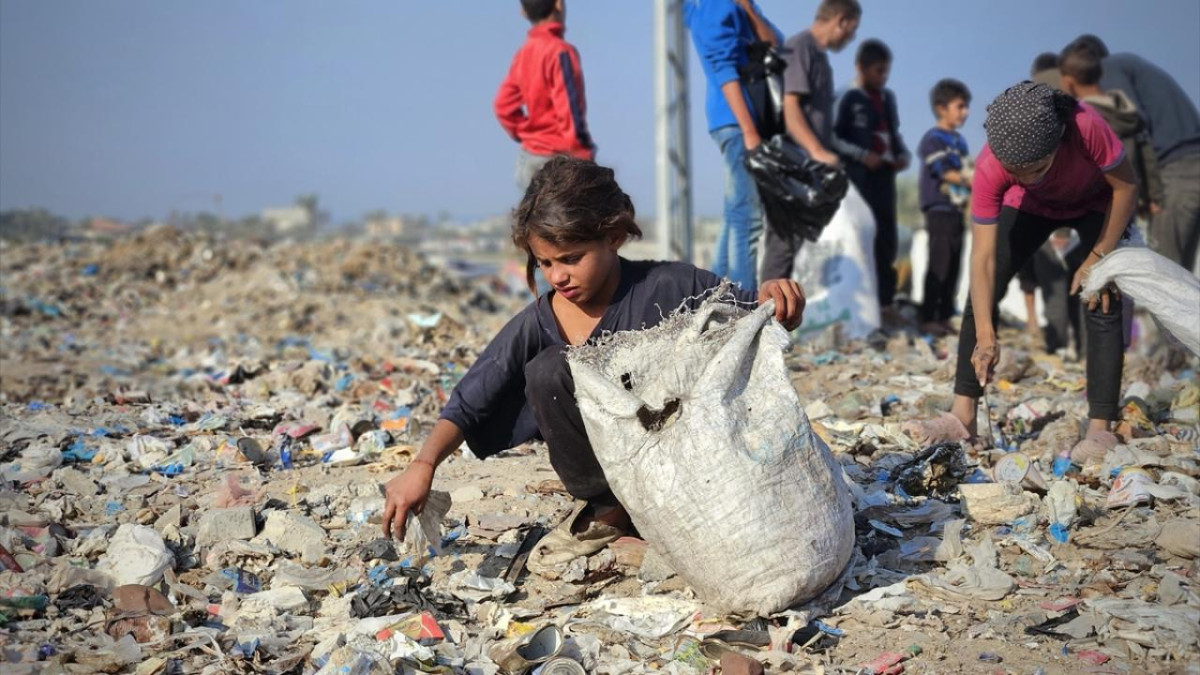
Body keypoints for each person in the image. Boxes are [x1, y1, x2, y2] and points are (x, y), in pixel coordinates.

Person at [380, 156, 806, 541]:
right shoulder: (539, 321)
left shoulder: (674, 287)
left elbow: (755, 317)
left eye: (571, 258)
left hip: (692, 469)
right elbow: (470, 400)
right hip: (614, 484)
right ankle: (611, 511)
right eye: (545, 263)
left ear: (614, 237)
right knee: (548, 370)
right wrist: (423, 466)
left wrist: (779, 297)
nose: (557, 276)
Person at [905, 82, 1139, 466]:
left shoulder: (1087, 127)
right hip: (1030, 210)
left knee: (1102, 293)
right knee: (982, 292)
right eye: (1019, 172)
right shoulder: (990, 165)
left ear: (1060, 139)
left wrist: (1099, 254)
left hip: (1096, 202)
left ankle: (1101, 426)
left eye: (1039, 169)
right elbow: (981, 260)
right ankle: (963, 416)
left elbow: (1126, 187)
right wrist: (985, 335)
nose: (1030, 178)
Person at [1066, 34, 1200, 274]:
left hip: (1178, 170)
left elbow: (1128, 125)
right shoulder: (1131, 65)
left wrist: (1142, 195)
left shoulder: (1109, 69)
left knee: (1165, 278)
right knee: (1182, 275)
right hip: (1188, 166)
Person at [684, 0, 784, 291]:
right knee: (748, 219)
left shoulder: (738, 5)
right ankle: (743, 302)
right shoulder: (713, 7)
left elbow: (774, 42)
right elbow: (724, 68)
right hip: (737, 122)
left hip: (739, 123)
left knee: (734, 213)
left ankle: (710, 293)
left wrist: (750, 11)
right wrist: (750, 130)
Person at [760, 0, 861, 281]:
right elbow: (791, 108)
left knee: (794, 246)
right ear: (840, 20)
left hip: (806, 167)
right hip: (793, 163)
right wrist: (817, 151)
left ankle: (781, 315)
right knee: (783, 242)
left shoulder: (818, 56)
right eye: (851, 31)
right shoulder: (801, 47)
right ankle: (767, 316)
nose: (850, 38)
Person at [834, 38, 910, 312]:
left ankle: (885, 303)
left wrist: (901, 155)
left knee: (886, 238)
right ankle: (857, 304)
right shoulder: (847, 96)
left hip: (884, 179)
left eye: (886, 71)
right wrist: (861, 155)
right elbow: (831, 138)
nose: (883, 77)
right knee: (859, 237)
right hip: (858, 180)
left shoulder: (887, 98)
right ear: (861, 68)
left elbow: (892, 134)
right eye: (878, 71)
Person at [494, 0, 596, 192]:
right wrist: (584, 158)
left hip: (529, 158)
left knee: (536, 220)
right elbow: (570, 112)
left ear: (523, 12)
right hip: (559, 161)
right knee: (575, 221)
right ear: (558, 5)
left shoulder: (523, 54)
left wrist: (527, 133)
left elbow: (502, 106)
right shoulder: (561, 52)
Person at [1058, 42, 1164, 219]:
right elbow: (1147, 156)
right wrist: (1155, 198)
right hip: (1138, 202)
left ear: (1068, 82)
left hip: (1105, 209)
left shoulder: (1080, 118)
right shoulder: (1126, 111)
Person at [916, 78, 972, 336]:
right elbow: (944, 172)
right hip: (938, 209)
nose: (965, 112)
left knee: (954, 265)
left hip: (956, 210)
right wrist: (970, 177)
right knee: (939, 262)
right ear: (941, 108)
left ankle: (946, 315)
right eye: (960, 106)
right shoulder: (933, 139)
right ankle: (929, 317)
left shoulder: (960, 142)